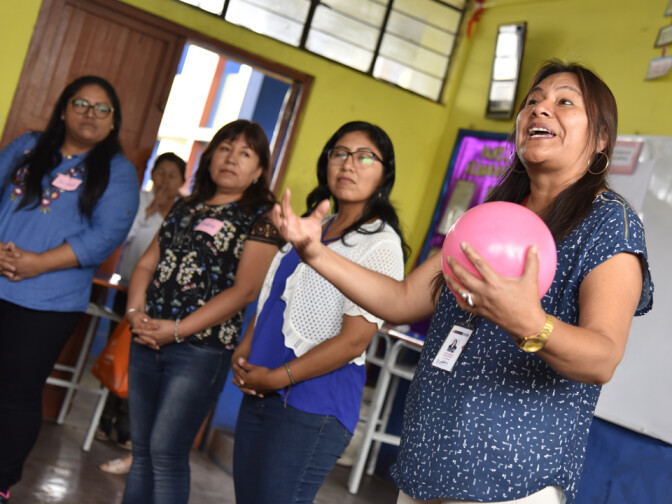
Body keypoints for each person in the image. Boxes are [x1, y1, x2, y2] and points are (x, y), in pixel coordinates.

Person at [270, 61, 654, 504]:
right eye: (532, 102)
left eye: (564, 102)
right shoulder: (490, 215)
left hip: (509, 480)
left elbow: (602, 357)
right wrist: (315, 252)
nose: (540, 110)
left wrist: (531, 321)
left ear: (602, 138)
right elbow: (398, 299)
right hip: (428, 464)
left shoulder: (609, 223)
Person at [231, 121, 408, 504]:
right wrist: (244, 350)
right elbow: (271, 298)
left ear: (384, 174)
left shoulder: (380, 244)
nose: (349, 164)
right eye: (340, 153)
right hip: (262, 388)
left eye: (365, 157)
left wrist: (277, 378)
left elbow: (353, 341)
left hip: (313, 405)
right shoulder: (314, 226)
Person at [121, 120, 282, 504]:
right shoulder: (186, 206)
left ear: (259, 170)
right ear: (210, 157)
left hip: (200, 351)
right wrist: (134, 312)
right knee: (140, 450)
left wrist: (176, 330)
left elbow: (245, 291)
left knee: (166, 452)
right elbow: (146, 264)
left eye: (246, 153)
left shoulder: (262, 217)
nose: (232, 159)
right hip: (147, 337)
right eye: (225, 148)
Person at [0, 75, 139, 503]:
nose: (90, 113)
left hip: (48, 303)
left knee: (16, 394)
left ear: (113, 122)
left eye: (102, 108)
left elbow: (106, 235)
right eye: (81, 103)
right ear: (64, 109)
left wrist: (38, 262)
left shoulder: (117, 172)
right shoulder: (27, 146)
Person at [97, 152, 186, 474]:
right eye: (159, 173)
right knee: (117, 351)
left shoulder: (184, 210)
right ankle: (106, 416)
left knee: (141, 361)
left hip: (160, 302)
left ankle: (126, 424)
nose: (164, 181)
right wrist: (150, 210)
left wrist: (166, 212)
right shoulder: (140, 199)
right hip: (129, 293)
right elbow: (125, 237)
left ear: (182, 182)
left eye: (171, 176)